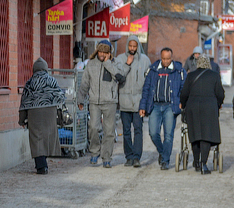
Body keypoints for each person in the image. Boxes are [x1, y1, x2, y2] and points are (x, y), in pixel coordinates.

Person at [138, 48, 186, 170]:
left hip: (170, 106)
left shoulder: (178, 70)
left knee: (168, 135)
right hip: (155, 105)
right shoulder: (153, 69)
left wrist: (181, 102)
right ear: (160, 57)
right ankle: (162, 151)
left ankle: (165, 161)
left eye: (168, 59)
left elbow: (183, 88)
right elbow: (146, 89)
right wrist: (142, 106)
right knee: (153, 133)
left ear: (172, 57)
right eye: (163, 58)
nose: (166, 61)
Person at [77, 42, 121, 168]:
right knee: (94, 128)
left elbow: (119, 76)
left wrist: (107, 63)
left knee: (109, 131)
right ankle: (94, 153)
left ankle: (107, 157)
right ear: (97, 52)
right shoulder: (91, 64)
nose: (102, 54)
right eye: (100, 52)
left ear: (109, 53)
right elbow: (84, 83)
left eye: (105, 52)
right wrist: (81, 99)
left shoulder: (115, 63)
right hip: (94, 102)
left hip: (110, 102)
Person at [19, 57, 65, 175]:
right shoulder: (52, 80)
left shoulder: (30, 82)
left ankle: (41, 166)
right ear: (46, 68)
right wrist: (60, 116)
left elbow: (24, 102)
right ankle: (43, 162)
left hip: (34, 113)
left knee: (36, 138)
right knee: (47, 136)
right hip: (50, 112)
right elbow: (60, 97)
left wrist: (21, 120)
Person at [180, 55, 225, 174]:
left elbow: (184, 93)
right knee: (206, 135)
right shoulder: (214, 76)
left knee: (195, 134)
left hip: (193, 107)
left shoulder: (190, 75)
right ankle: (203, 164)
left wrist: (183, 105)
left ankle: (196, 162)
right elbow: (220, 93)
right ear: (208, 64)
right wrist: (219, 103)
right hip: (209, 108)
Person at [112, 38, 151, 166]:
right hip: (124, 101)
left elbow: (148, 82)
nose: (132, 48)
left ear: (138, 46)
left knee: (138, 129)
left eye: (135, 46)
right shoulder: (119, 59)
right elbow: (118, 77)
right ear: (127, 46)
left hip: (139, 101)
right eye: (130, 45)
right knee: (127, 131)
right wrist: (127, 64)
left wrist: (146, 102)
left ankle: (136, 157)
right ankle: (128, 156)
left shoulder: (145, 60)